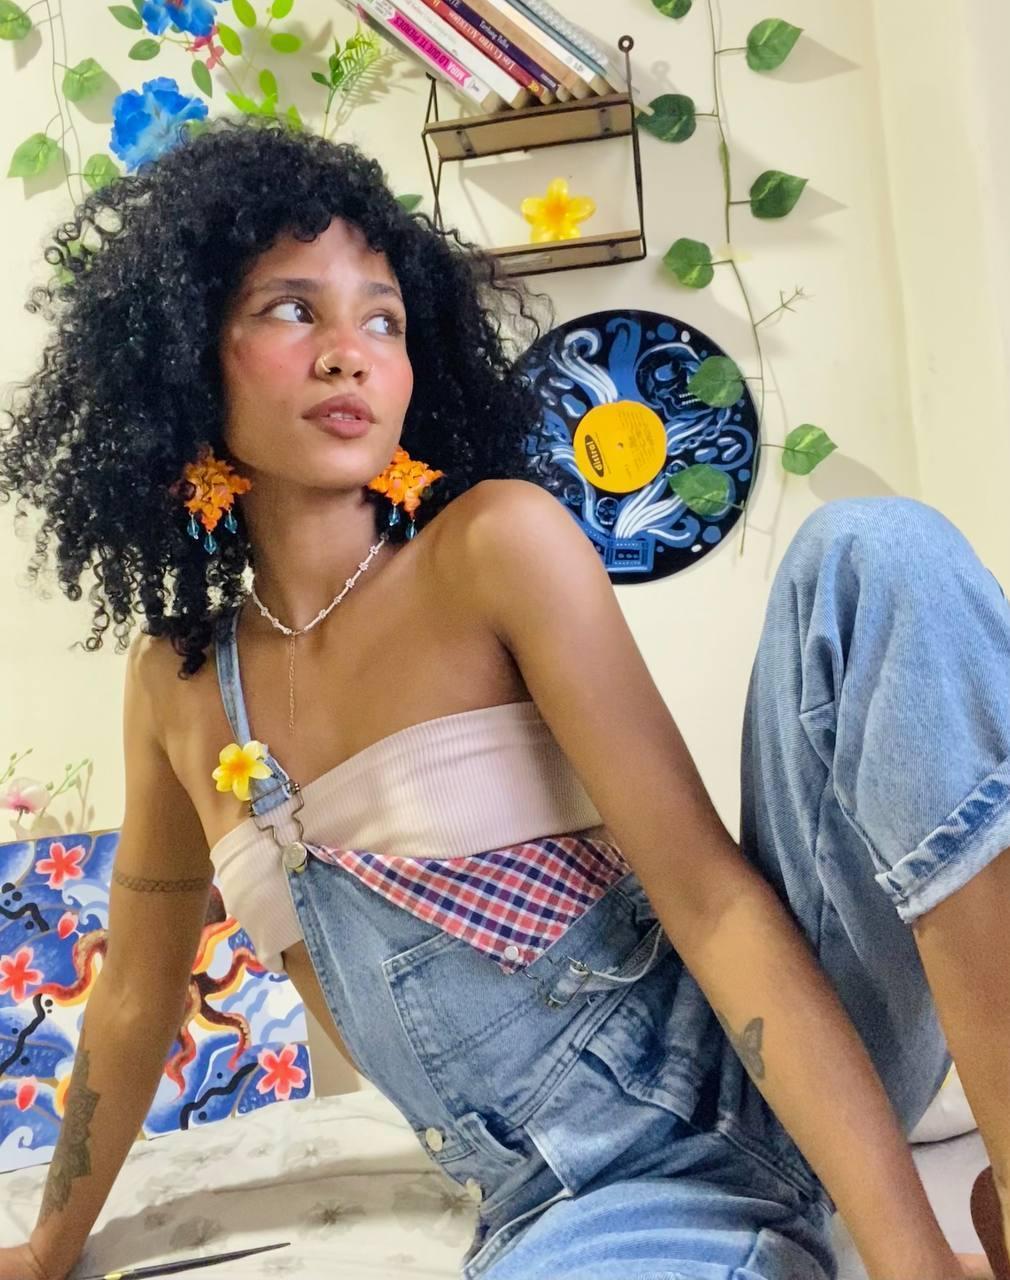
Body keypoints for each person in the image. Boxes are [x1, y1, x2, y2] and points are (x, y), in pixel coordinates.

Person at [0, 118, 1003, 1280]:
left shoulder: (491, 547)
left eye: (383, 318)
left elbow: (709, 895)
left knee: (873, 550)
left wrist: (907, 1254)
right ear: (183, 353)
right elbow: (134, 993)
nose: (347, 353)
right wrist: (47, 1248)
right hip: (592, 1195)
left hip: (790, 1034)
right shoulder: (176, 683)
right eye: (292, 309)